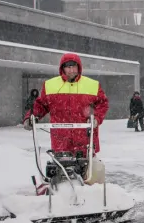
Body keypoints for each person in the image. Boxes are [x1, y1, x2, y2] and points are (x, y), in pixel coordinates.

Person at [23, 54, 109, 183]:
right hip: (61, 137)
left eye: (74, 66)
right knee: (61, 169)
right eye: (68, 67)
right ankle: (60, 194)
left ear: (79, 67)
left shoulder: (92, 85)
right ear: (62, 68)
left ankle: (90, 194)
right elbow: (41, 105)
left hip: (84, 137)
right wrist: (31, 117)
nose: (71, 70)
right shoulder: (51, 85)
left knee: (87, 170)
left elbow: (103, 103)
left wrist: (96, 118)